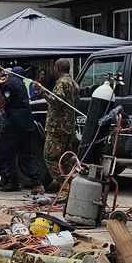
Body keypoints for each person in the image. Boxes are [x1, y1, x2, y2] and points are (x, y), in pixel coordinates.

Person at [0, 66, 44, 195]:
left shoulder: (9, 84)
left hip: (13, 125)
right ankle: (38, 184)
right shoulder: (21, 84)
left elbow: (2, 104)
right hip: (26, 124)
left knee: (0, 154)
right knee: (26, 155)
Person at [38, 58, 81, 190]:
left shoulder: (61, 83)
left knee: (49, 156)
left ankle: (64, 184)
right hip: (68, 127)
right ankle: (72, 183)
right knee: (67, 157)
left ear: (57, 68)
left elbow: (56, 101)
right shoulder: (74, 84)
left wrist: (42, 91)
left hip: (57, 127)